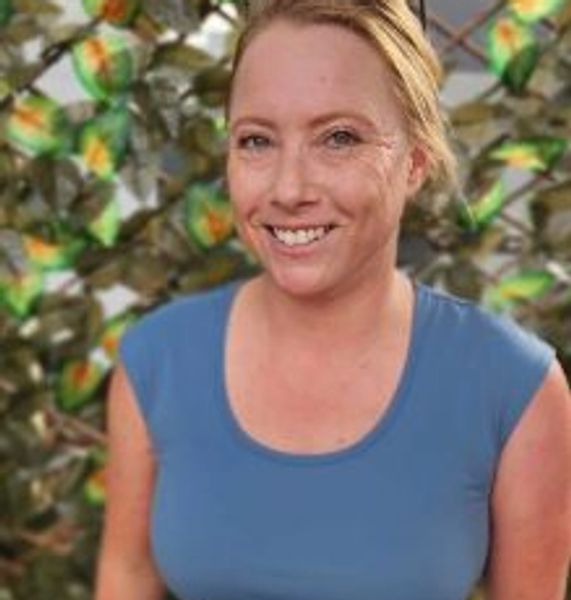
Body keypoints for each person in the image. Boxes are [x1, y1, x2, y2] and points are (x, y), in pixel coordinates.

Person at [94, 1, 571, 599]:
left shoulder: (515, 388)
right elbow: (127, 577)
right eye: (257, 141)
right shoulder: (157, 361)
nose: (289, 188)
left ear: (415, 161)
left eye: (339, 138)